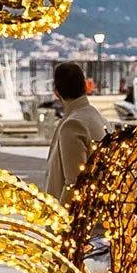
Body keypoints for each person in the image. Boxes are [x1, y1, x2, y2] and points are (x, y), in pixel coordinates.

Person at [45, 61, 106, 202]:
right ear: (85, 86)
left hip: (73, 219)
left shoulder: (72, 125)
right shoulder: (99, 118)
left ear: (56, 92)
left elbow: (74, 183)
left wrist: (59, 220)